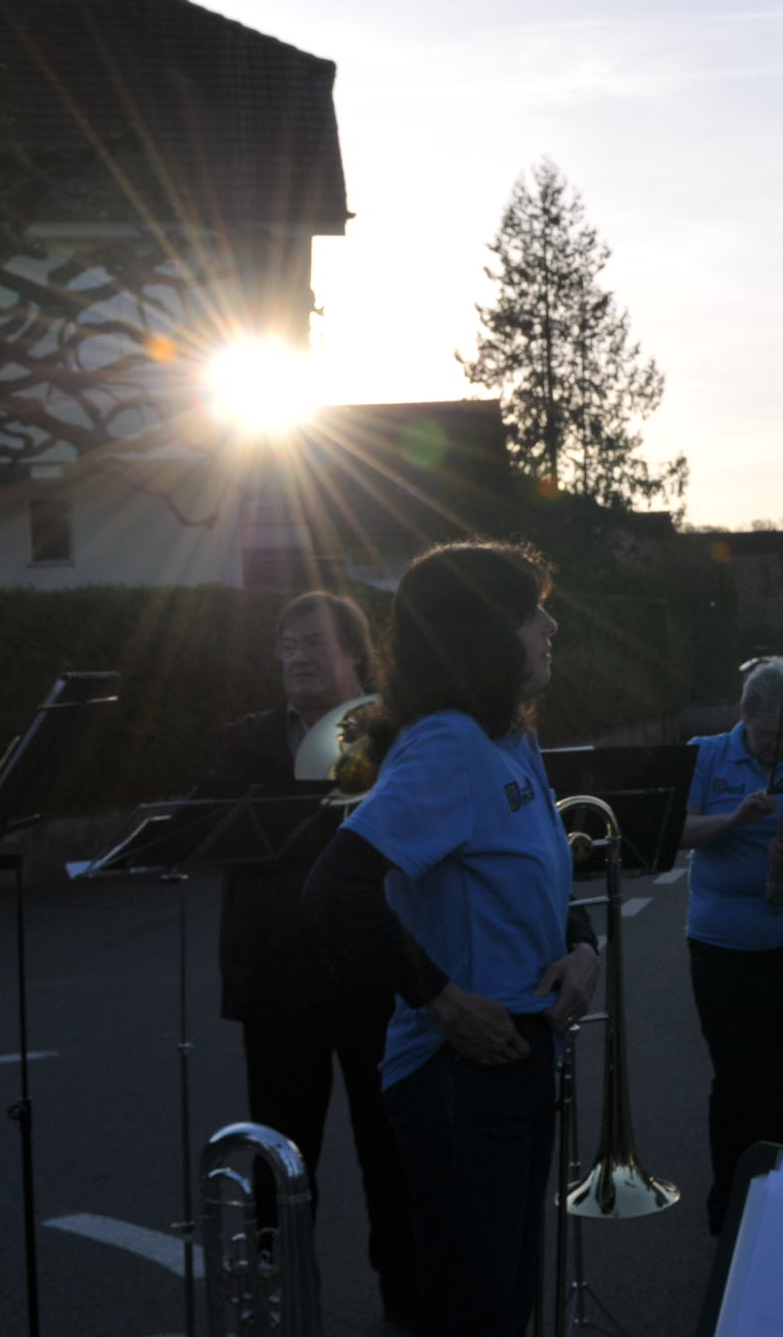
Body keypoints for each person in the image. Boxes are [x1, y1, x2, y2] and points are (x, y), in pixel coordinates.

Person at [305, 542, 598, 1337]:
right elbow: (337, 884)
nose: (550, 623)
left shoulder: (510, 738)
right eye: (529, 609)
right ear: (480, 633)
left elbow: (533, 876)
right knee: (476, 1314)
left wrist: (581, 947)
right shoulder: (447, 743)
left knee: (505, 1304)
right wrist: (439, 999)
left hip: (520, 1054)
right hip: (462, 1075)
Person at [207, 591, 416, 1324]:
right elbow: (213, 832)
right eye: (285, 644)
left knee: (391, 1158)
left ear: (355, 652)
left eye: (311, 642)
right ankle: (287, 1308)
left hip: (373, 973)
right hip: (277, 979)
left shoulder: (395, 733)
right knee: (279, 1165)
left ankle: (407, 1307)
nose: (293, 655)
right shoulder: (244, 741)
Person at [677, 660, 783, 1235]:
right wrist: (735, 817)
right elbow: (676, 832)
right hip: (726, 947)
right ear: (744, 717)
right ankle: (732, 1205)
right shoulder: (707, 754)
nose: (779, 748)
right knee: (740, 1078)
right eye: (769, 737)